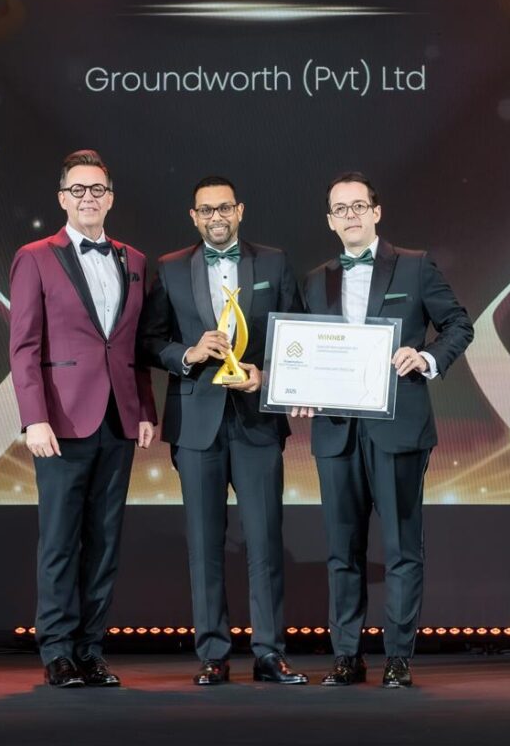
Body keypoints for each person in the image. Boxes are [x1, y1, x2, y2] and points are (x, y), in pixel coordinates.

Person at [298, 172, 473, 688]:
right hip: (336, 430)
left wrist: (426, 357)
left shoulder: (415, 266)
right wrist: (300, 385)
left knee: (401, 548)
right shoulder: (316, 279)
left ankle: (398, 657)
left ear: (376, 212)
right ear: (329, 221)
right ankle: (346, 656)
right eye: (340, 209)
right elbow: (307, 347)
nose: (350, 215)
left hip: (398, 426)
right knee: (341, 551)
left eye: (359, 206)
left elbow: (458, 324)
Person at [139, 176, 308, 686]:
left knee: (265, 541)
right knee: (204, 544)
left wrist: (268, 376)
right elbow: (149, 341)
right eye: (206, 210)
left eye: (225, 208)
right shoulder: (171, 267)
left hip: (257, 420)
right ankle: (212, 654)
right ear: (194, 217)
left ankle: (270, 653)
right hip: (196, 423)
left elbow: (298, 334)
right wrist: (188, 354)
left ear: (240, 211)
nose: (217, 217)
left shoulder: (273, 262)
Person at [9, 149, 157, 689]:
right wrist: (34, 418)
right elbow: (23, 346)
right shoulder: (35, 257)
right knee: (60, 540)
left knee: (105, 541)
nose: (88, 198)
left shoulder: (135, 260)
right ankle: (58, 651)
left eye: (97, 189)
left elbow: (135, 345)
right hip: (61, 422)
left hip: (118, 419)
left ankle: (91, 650)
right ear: (62, 198)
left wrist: (145, 409)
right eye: (78, 190)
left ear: (110, 198)